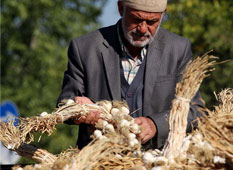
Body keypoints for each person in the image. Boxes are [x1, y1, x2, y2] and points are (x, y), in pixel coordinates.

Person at [57, 0, 204, 150]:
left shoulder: (178, 49)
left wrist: (155, 124)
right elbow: (64, 102)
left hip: (159, 161)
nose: (142, 28)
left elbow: (195, 110)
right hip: (98, 159)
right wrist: (79, 109)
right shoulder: (85, 48)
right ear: (121, 8)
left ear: (163, 14)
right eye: (136, 19)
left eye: (152, 22)